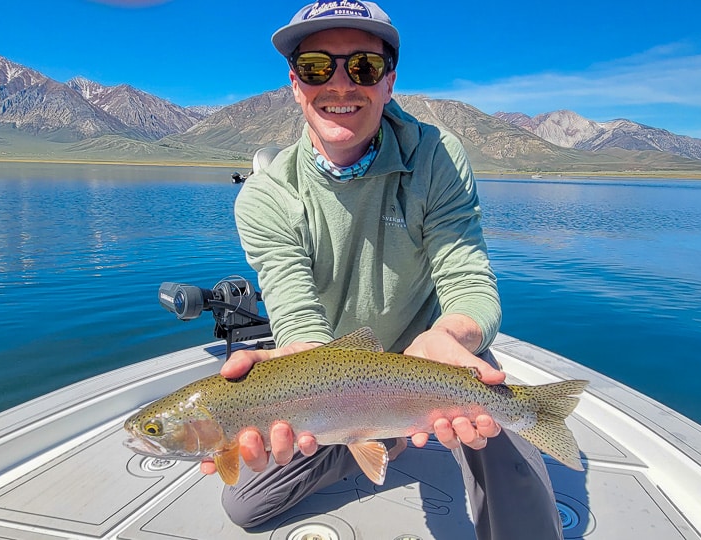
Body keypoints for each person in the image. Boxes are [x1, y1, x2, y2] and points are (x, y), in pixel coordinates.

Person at [207, 2, 567, 538]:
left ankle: (404, 423)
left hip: (434, 354)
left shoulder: (436, 157)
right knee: (246, 504)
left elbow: (468, 282)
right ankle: (387, 432)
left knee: (513, 464)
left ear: (389, 81)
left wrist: (451, 333)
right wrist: (302, 361)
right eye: (315, 67)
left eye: (364, 68)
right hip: (330, 370)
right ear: (294, 82)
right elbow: (296, 315)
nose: (340, 84)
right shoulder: (265, 197)